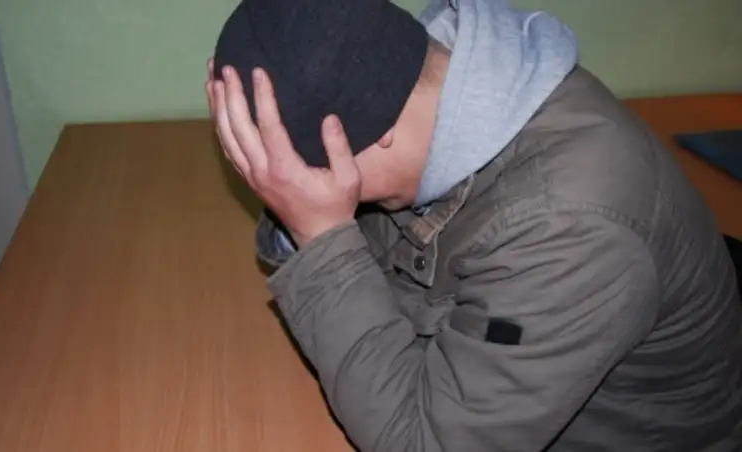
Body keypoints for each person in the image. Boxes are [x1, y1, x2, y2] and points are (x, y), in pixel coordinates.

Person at [206, 0, 742, 450]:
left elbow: (423, 443)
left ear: (367, 138)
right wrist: (311, 218)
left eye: (292, 173)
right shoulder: (429, 96)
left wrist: (321, 233)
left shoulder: (570, 231)